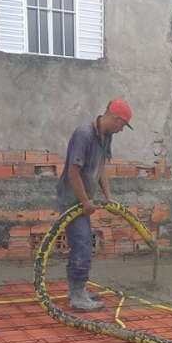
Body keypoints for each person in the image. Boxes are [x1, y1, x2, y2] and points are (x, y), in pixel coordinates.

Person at [57, 99, 133, 310]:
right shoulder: (84, 135)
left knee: (81, 244)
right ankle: (78, 297)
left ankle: (76, 290)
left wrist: (109, 198)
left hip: (83, 200)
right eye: (122, 125)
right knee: (82, 244)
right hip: (72, 198)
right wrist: (85, 202)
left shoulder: (105, 136)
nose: (121, 130)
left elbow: (100, 168)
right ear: (114, 118)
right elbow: (73, 173)